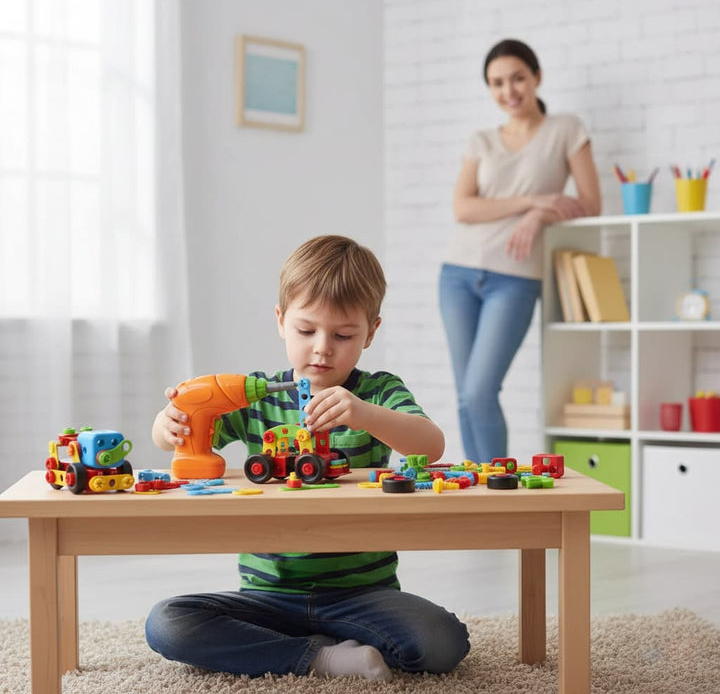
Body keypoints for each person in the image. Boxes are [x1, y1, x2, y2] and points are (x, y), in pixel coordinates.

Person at [146, 234, 470, 681]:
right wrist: (168, 427)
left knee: (442, 642)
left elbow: (430, 446)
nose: (322, 347)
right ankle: (322, 658)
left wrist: (365, 414)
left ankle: (291, 651)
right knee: (168, 624)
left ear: (371, 332)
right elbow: (189, 438)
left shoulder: (378, 392)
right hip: (267, 596)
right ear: (280, 321)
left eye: (342, 335)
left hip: (363, 594)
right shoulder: (254, 396)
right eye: (305, 330)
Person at [439, 38, 601, 465]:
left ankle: (501, 499)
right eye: (496, 83)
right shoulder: (481, 140)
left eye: (517, 79)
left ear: (537, 78)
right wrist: (532, 202)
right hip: (457, 273)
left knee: (480, 390)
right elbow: (463, 208)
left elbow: (590, 203)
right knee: (464, 397)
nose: (508, 91)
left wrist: (538, 218)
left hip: (515, 278)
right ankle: (479, 494)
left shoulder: (566, 129)